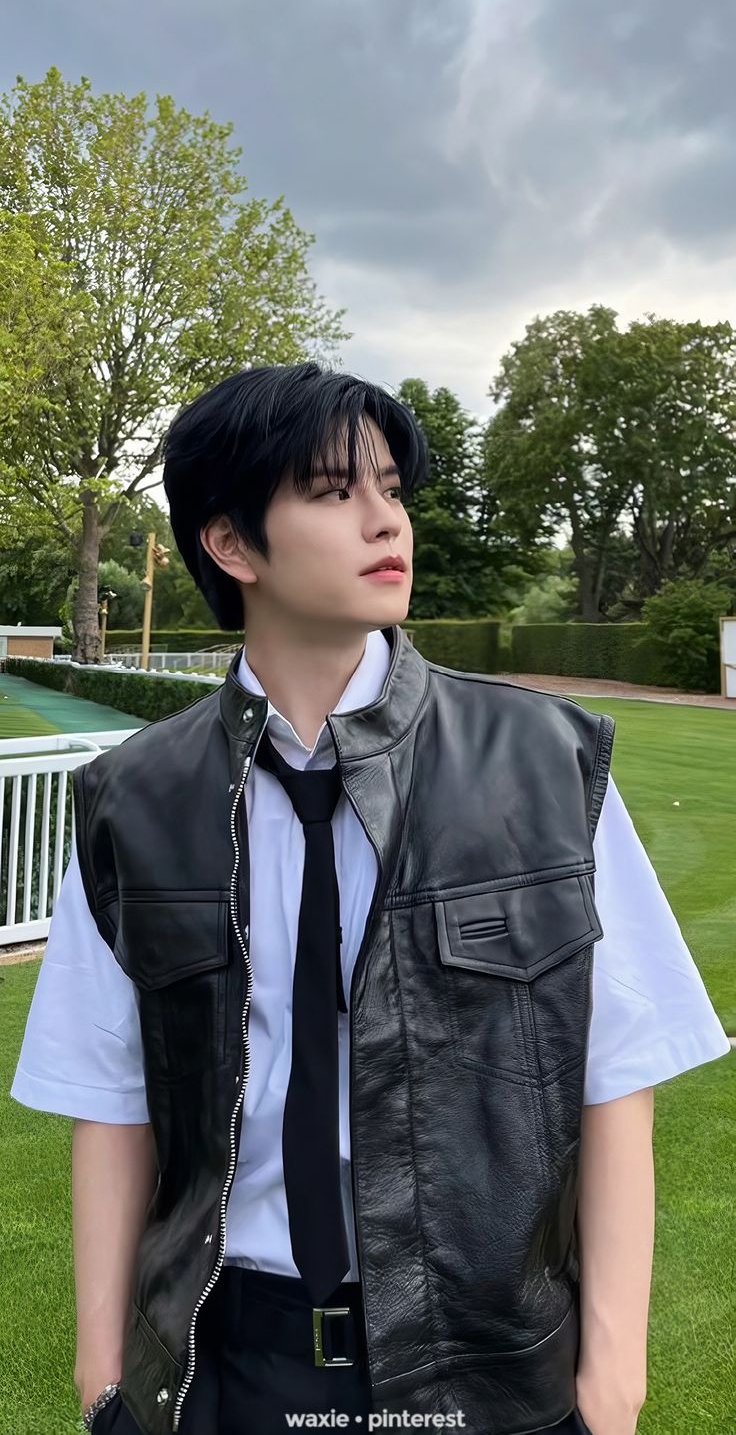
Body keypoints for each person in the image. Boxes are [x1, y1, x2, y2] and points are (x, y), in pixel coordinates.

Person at [10, 362, 731, 1435]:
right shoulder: (135, 800)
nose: (383, 519)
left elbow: (614, 1073)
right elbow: (113, 1104)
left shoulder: (542, 764)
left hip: (484, 1366)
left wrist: (611, 1382)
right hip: (225, 1364)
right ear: (230, 543)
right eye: (332, 490)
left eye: (390, 487)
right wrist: (104, 1377)